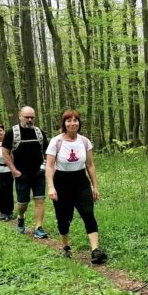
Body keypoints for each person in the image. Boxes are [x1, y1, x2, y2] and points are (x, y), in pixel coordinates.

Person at [45, 109, 107, 264]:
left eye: (75, 120)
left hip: (81, 182)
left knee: (88, 213)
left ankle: (95, 251)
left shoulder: (85, 141)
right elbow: (50, 166)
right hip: (61, 182)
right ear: (64, 124)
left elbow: (90, 165)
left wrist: (95, 186)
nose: (72, 123)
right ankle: (65, 246)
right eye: (69, 121)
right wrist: (51, 187)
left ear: (79, 123)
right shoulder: (56, 142)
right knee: (64, 218)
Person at [2, 106, 50, 238]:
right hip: (21, 174)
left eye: (32, 117)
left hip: (38, 173)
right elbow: (5, 152)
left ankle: (38, 227)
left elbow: (47, 151)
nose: (29, 120)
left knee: (40, 200)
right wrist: (14, 170)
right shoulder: (12, 133)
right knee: (23, 203)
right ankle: (21, 217)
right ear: (20, 116)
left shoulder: (39, 132)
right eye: (27, 117)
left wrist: (46, 167)